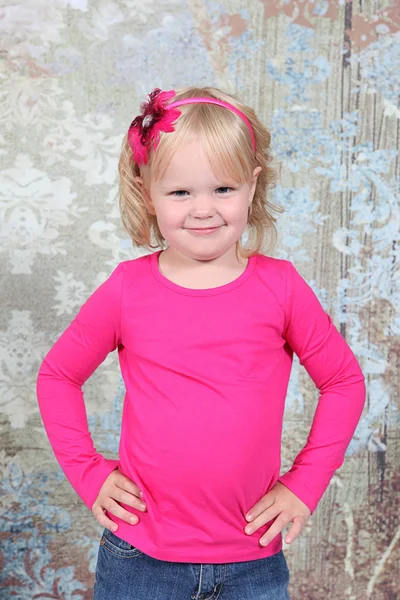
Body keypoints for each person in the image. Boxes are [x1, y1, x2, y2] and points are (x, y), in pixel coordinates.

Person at [36, 86, 366, 600]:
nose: (204, 210)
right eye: (181, 192)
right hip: (139, 560)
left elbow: (343, 381)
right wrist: (87, 471)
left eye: (223, 189)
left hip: (252, 563)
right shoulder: (127, 288)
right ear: (147, 192)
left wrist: (306, 482)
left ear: (252, 187)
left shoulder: (281, 287)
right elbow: (58, 375)